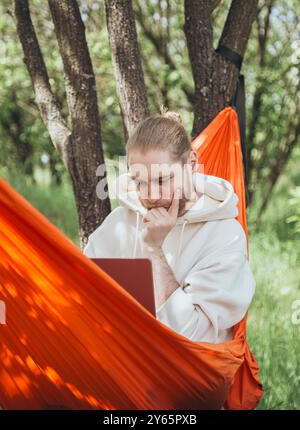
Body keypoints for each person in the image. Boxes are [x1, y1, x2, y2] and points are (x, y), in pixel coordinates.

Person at [83, 107, 256, 344]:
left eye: (163, 179)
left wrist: (154, 251)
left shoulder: (225, 235)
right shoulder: (120, 222)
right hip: (119, 358)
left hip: (187, 371)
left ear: (192, 163)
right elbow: (81, 293)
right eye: (140, 181)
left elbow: (191, 338)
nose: (151, 195)